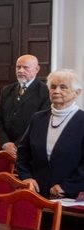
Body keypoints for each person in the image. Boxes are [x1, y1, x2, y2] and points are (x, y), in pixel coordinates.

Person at [16, 69, 84, 198]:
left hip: (69, 195)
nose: (56, 91)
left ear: (77, 93)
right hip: (36, 192)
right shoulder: (38, 118)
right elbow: (23, 154)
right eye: (53, 87)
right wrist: (27, 178)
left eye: (63, 87)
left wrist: (66, 187)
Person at [0, 54, 50, 157]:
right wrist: (5, 143)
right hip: (5, 150)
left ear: (37, 69)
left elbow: (40, 125)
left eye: (25, 67)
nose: (20, 70)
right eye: (18, 67)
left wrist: (16, 145)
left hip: (29, 151)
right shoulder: (7, 90)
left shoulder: (45, 92)